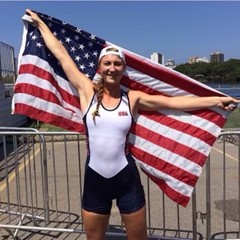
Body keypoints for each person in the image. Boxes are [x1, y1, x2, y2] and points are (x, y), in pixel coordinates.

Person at [26, 9, 240, 240]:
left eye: (117, 64)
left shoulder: (133, 98)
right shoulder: (86, 91)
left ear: (123, 69)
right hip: (94, 181)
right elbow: (61, 54)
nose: (112, 68)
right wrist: (40, 24)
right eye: (107, 63)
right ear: (99, 68)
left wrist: (217, 99)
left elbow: (175, 103)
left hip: (126, 179)